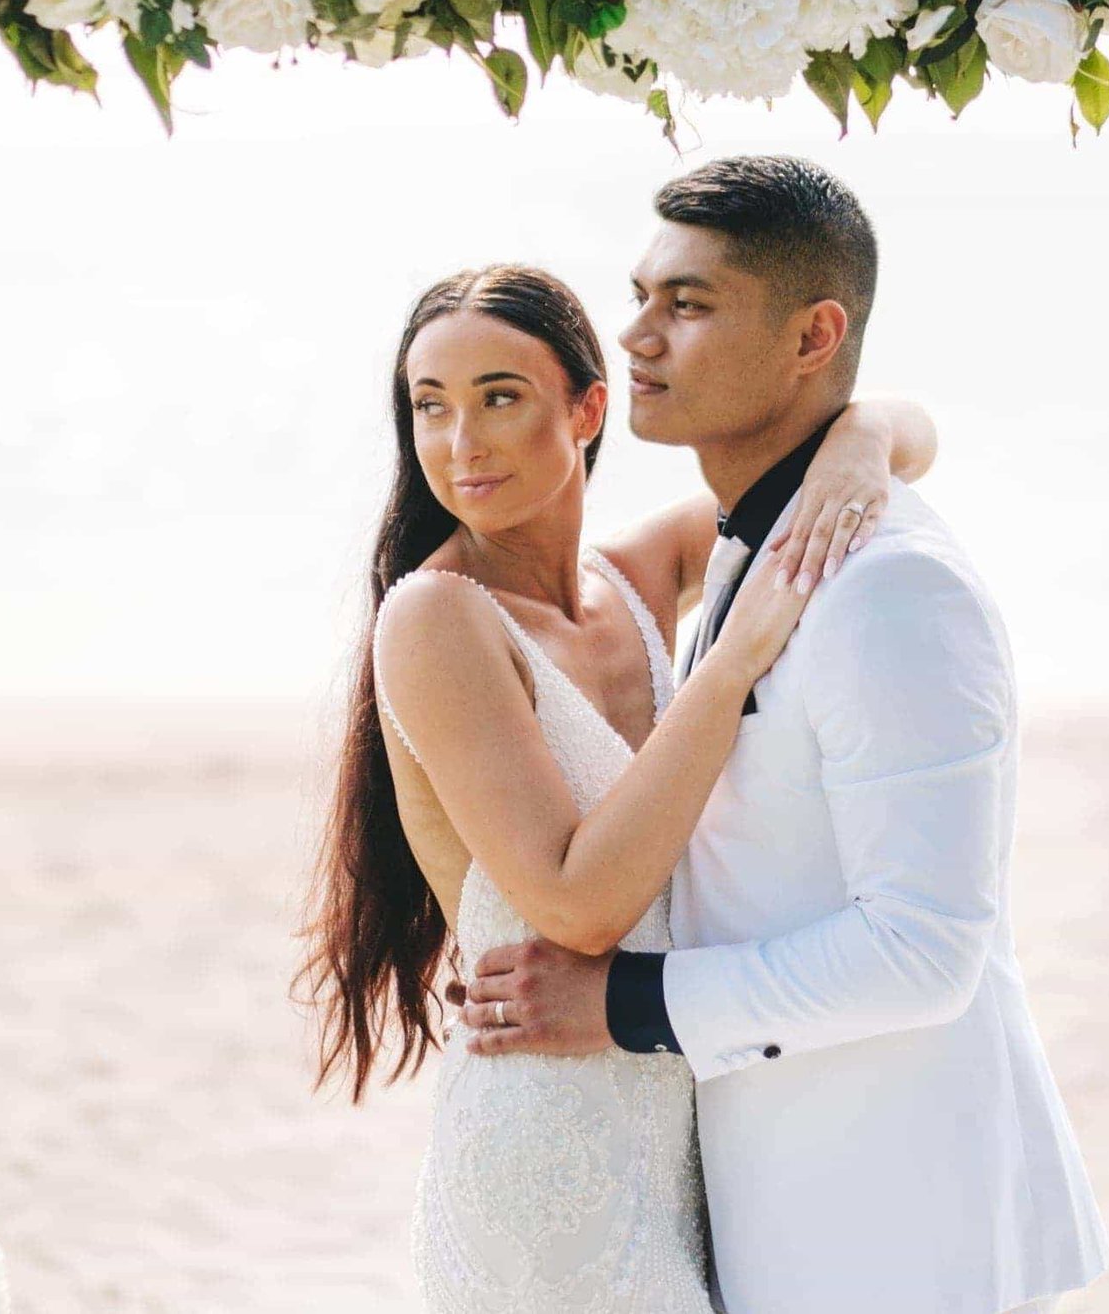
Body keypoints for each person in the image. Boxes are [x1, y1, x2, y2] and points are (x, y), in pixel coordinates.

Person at [453, 157, 1109, 1314]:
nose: (638, 336)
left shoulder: (892, 588)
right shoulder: (746, 542)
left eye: (688, 304)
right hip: (775, 1205)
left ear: (813, 336)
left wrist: (624, 1003)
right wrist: (870, 429)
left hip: (898, 1222)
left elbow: (924, 949)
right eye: (643, 294)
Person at [298, 261, 939, 1312]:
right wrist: (729, 666)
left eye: (499, 396)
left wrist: (858, 443)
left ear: (588, 408)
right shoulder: (436, 615)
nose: (461, 441)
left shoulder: (635, 581)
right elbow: (576, 900)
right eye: (430, 406)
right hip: (543, 1163)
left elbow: (909, 432)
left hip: (691, 1141)